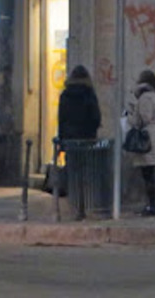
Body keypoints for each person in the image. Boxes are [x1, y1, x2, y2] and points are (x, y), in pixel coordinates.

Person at [57, 65, 101, 220]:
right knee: (86, 173)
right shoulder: (89, 95)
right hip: (87, 139)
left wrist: (61, 142)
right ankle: (86, 205)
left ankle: (74, 205)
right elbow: (96, 117)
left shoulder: (65, 95)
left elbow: (61, 120)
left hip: (70, 139)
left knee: (73, 172)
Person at [127, 69, 155, 217]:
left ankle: (151, 206)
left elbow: (143, 119)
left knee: (147, 174)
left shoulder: (145, 99)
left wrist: (130, 118)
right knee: (152, 174)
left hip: (147, 138)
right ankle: (153, 204)